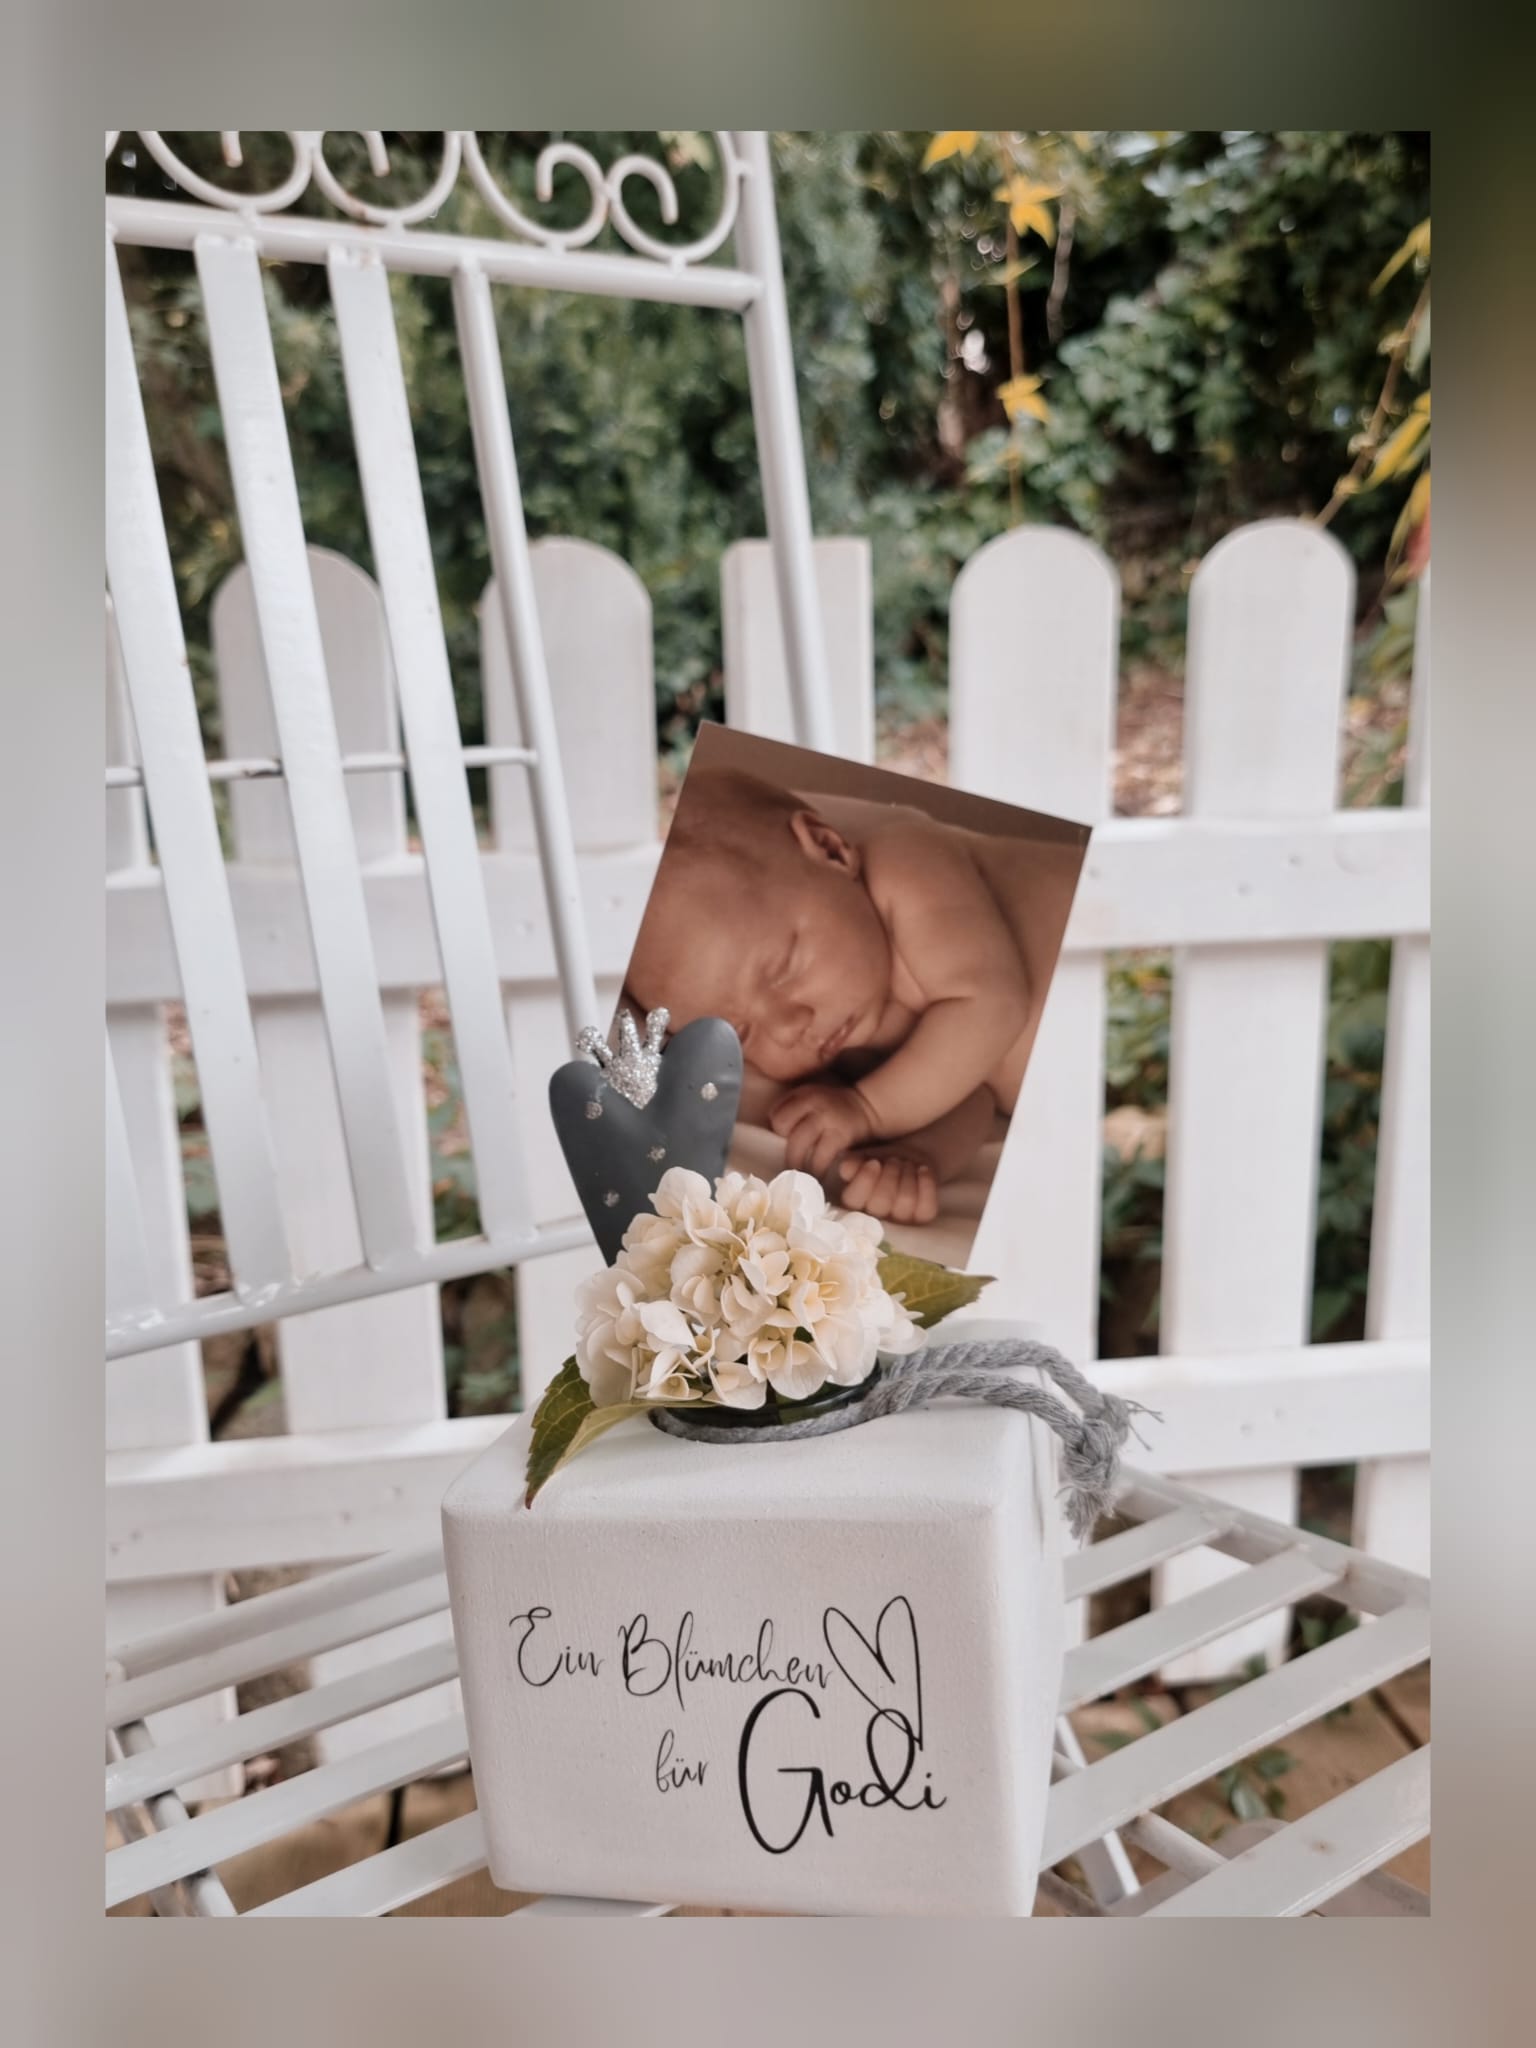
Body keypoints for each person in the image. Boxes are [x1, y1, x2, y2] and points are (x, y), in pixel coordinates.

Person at [624, 765, 1063, 1224]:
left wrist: (868, 1110)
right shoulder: (849, 1042)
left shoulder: (907, 864)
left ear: (830, 849)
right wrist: (916, 1153)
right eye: (743, 1033)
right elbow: (970, 1090)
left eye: (783, 969)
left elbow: (994, 1007)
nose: (787, 1027)